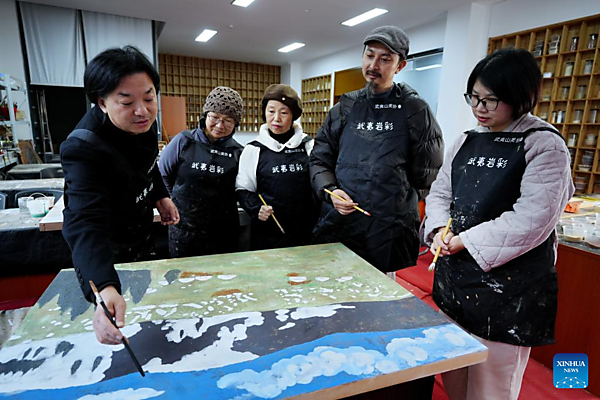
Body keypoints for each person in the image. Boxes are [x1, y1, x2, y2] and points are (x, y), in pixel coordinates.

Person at [424, 48, 574, 400]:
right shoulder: (466, 140)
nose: (479, 108)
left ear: (520, 97)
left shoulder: (544, 144)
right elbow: (440, 193)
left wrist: (464, 240)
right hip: (456, 279)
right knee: (454, 372)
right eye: (474, 97)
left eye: (491, 100)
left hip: (508, 289)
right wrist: (438, 229)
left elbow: (532, 218)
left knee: (491, 386)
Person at [60, 45, 180, 345]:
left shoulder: (144, 123)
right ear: (102, 102)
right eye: (127, 102)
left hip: (142, 236)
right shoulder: (83, 148)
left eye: (149, 98)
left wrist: (160, 195)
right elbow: (84, 222)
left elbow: (147, 166)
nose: (142, 111)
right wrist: (103, 286)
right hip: (107, 249)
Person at [310, 25, 444, 278]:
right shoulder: (343, 108)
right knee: (336, 287)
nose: (374, 65)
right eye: (369, 55)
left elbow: (428, 171)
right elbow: (319, 159)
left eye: (385, 59)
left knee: (380, 292)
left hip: (387, 227)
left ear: (400, 66)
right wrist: (330, 191)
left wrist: (395, 197)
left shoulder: (415, 110)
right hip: (342, 220)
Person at [159, 87, 244, 257]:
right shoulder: (183, 141)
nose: (220, 125)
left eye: (228, 120)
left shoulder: (238, 152)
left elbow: (242, 188)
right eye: (215, 117)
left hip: (223, 232)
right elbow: (163, 175)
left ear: (236, 124)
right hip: (184, 230)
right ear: (206, 115)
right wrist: (175, 202)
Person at [236, 84, 318, 250]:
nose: (276, 118)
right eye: (271, 111)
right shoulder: (253, 149)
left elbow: (320, 182)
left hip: (306, 231)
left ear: (293, 115)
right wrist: (256, 208)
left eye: (284, 112)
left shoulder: (309, 146)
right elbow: (243, 189)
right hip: (268, 233)